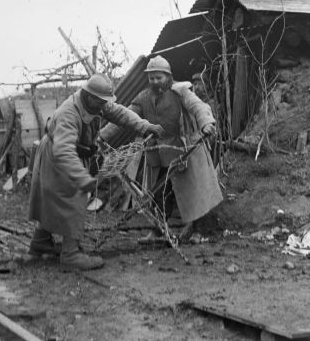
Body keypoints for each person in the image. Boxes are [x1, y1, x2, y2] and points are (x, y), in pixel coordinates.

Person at [28, 73, 164, 270]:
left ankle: (41, 241)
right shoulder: (69, 113)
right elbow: (64, 151)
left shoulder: (95, 101)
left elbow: (120, 113)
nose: (104, 106)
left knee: (52, 200)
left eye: (105, 102)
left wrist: (144, 126)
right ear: (89, 95)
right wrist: (82, 178)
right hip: (59, 156)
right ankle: (71, 254)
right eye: (101, 102)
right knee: (73, 198)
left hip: (69, 153)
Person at [99, 55, 223, 243]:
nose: (155, 82)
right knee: (158, 195)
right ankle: (158, 233)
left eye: (159, 77)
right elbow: (123, 117)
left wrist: (206, 123)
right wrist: (101, 136)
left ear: (168, 76)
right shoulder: (143, 98)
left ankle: (201, 231)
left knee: (195, 191)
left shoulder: (181, 91)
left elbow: (199, 107)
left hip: (185, 151)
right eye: (151, 78)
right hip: (159, 154)